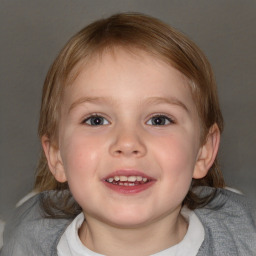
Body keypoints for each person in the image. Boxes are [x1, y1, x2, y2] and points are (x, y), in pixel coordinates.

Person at [1, 13, 256, 256]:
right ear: (56, 156)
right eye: (96, 120)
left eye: (159, 120)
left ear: (203, 151)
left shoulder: (246, 236)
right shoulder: (25, 241)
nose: (127, 143)